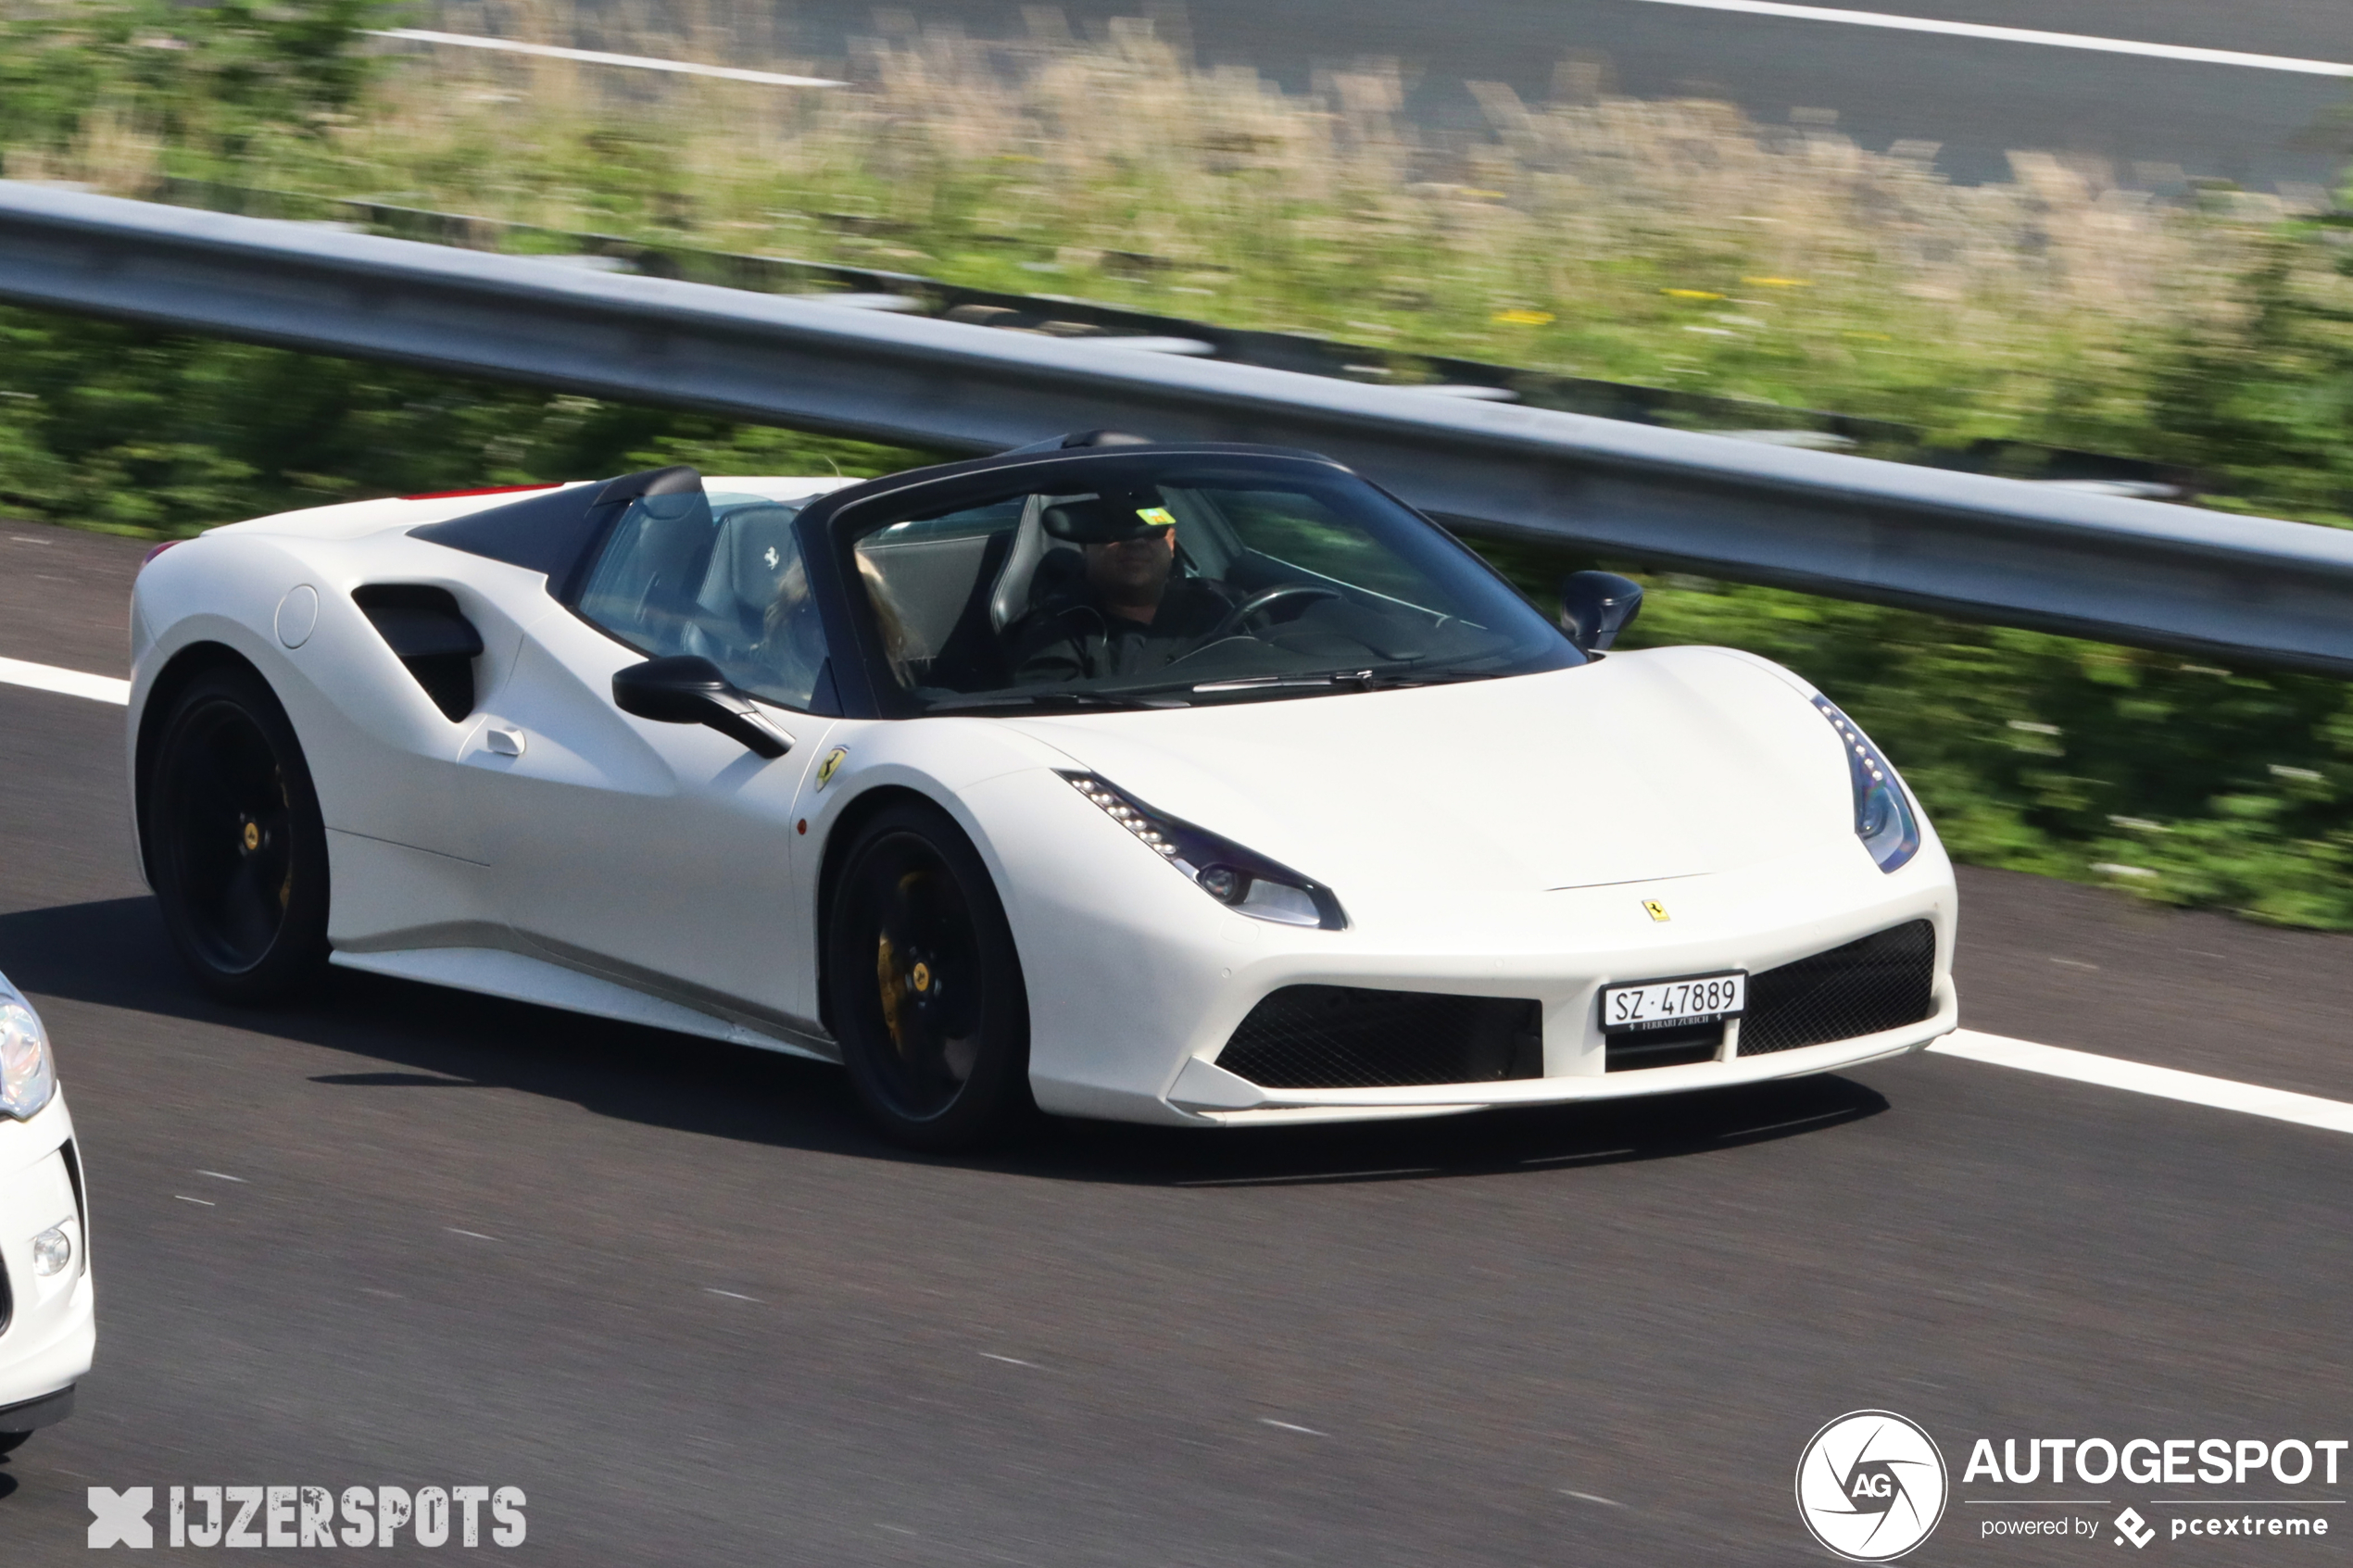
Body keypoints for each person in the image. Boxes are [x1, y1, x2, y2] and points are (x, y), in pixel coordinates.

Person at [1006, 496, 1235, 684]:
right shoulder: (1053, 632)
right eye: (1116, 531)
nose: (1135, 542)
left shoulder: (1222, 603)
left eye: (1151, 529)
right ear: (1085, 544)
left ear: (1172, 542)